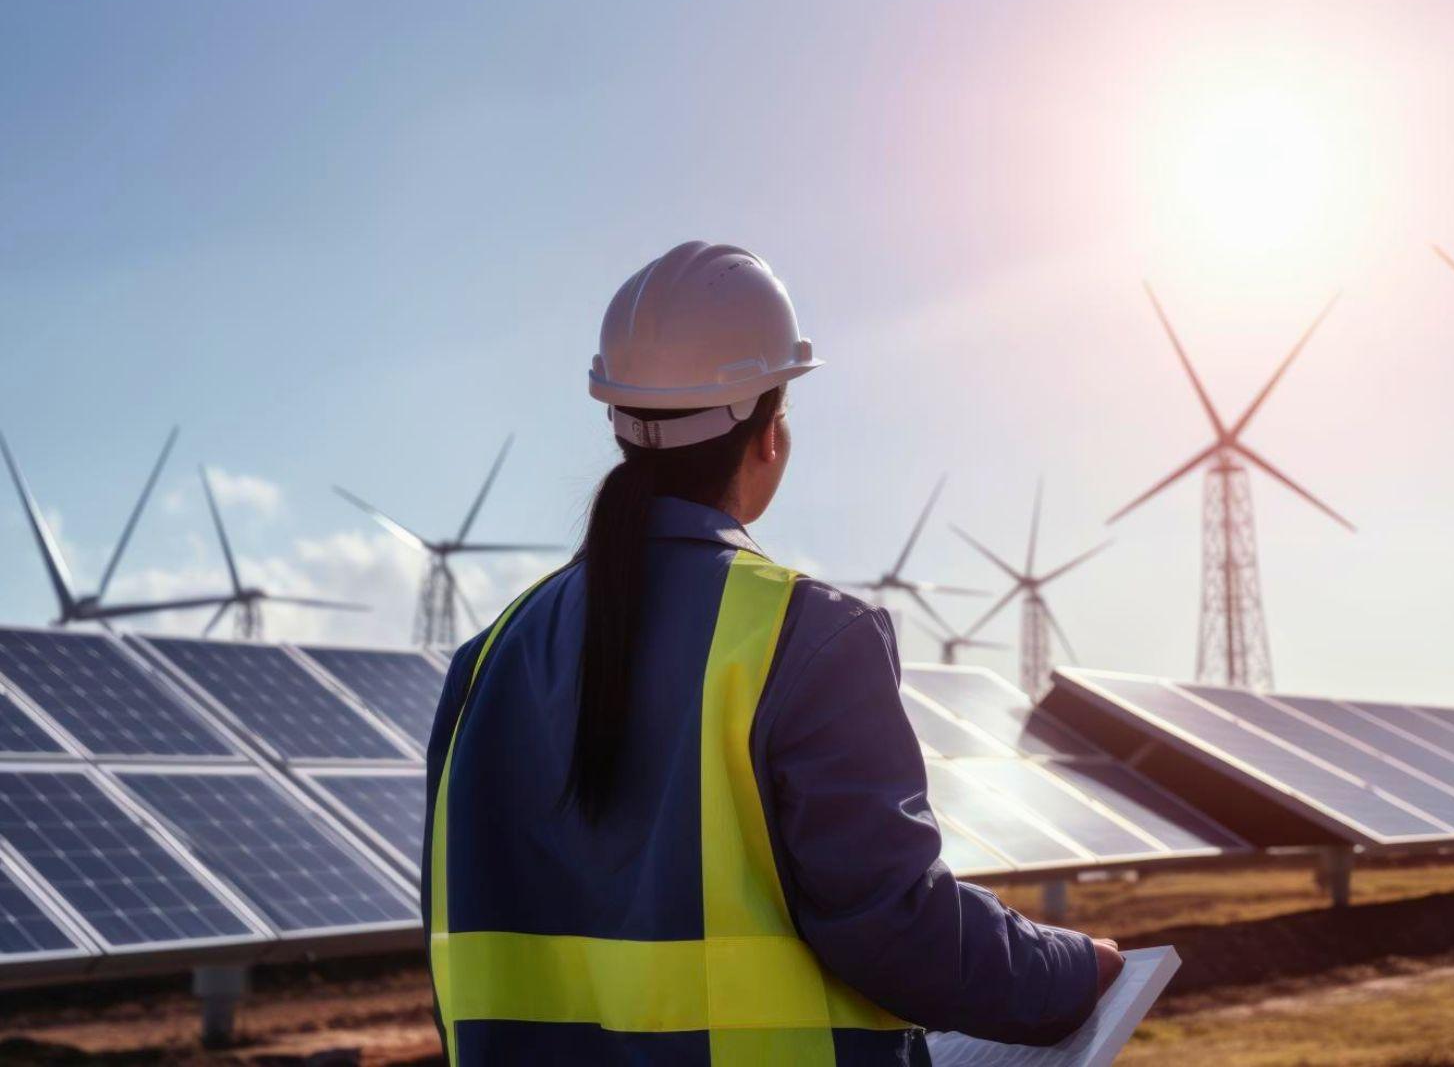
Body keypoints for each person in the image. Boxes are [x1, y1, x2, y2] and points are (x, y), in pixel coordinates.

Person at [423, 241, 1125, 1065]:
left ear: (620, 427)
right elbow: (893, 926)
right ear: (769, 434)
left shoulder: (486, 659)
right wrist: (1072, 970)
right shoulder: (808, 635)